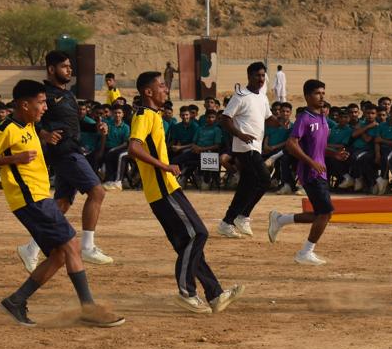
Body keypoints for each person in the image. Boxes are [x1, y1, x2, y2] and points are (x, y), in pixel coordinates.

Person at [0, 80, 124, 328]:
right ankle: (88, 308)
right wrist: (14, 158)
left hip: (39, 197)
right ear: (25, 105)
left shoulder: (30, 125)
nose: (45, 107)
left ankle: (16, 300)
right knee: (72, 245)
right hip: (30, 199)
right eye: (41, 102)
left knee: (59, 255)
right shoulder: (6, 129)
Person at [128, 71, 243, 313]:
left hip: (168, 187)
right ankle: (186, 293)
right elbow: (134, 148)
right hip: (162, 189)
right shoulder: (144, 115)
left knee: (188, 243)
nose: (165, 89)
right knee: (198, 234)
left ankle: (215, 294)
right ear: (148, 92)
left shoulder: (154, 116)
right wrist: (165, 166)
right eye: (161, 85)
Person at [18, 51, 112, 272]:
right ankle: (87, 246)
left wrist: (95, 127)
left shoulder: (68, 94)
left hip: (72, 148)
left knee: (61, 204)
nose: (69, 70)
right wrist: (44, 134)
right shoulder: (43, 94)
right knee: (97, 191)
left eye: (70, 66)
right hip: (64, 152)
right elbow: (27, 119)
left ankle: (31, 248)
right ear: (51, 69)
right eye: (64, 66)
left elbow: (75, 122)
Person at [267, 79, 336, 265]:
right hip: (310, 173)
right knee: (326, 213)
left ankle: (281, 220)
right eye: (317, 93)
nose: (321, 96)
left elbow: (318, 147)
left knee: (322, 213)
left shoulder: (322, 118)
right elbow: (291, 144)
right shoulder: (304, 118)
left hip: (320, 171)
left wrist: (334, 154)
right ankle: (305, 252)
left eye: (323, 93)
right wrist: (312, 163)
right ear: (307, 96)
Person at [217, 61, 273, 237]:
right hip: (244, 147)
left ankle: (227, 222)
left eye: (263, 75)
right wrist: (240, 134)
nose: (261, 79)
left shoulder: (263, 97)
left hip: (255, 147)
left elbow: (268, 118)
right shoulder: (240, 96)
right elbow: (225, 119)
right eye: (257, 75)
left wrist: (284, 123)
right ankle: (243, 216)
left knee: (246, 185)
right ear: (249, 76)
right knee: (264, 179)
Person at [100, 105, 132, 189]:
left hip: (119, 149)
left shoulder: (126, 127)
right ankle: (109, 180)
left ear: (122, 114)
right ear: (112, 114)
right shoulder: (108, 124)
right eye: (115, 113)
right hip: (108, 148)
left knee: (117, 155)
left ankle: (118, 181)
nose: (117, 115)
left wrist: (114, 149)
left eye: (119, 113)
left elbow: (125, 143)